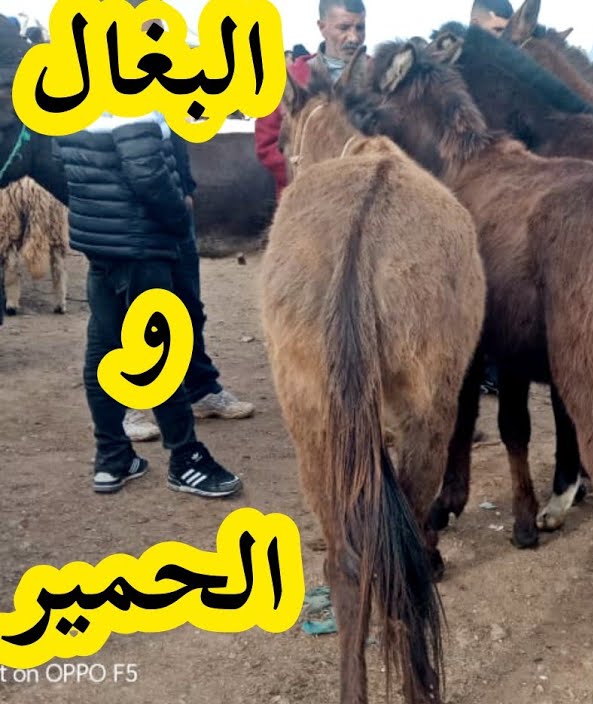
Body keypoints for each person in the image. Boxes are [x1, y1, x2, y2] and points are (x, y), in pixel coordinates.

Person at [57, 58, 242, 496]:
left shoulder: (74, 78)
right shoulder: (131, 84)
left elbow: (60, 160)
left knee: (103, 349)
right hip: (140, 242)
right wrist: (178, 216)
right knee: (161, 352)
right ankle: (186, 458)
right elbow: (144, 168)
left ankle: (112, 457)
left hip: (101, 240)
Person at [123, 130, 255, 442]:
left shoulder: (165, 100)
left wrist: (186, 189)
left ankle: (201, 389)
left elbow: (175, 145)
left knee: (188, 305)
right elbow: (135, 160)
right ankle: (125, 404)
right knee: (138, 311)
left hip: (176, 208)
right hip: (134, 213)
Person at [254, 0, 367, 200]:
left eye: (360, 27)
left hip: (366, 199)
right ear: (322, 27)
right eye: (344, 27)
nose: (354, 37)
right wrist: (309, 178)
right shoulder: (288, 79)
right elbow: (267, 143)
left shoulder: (378, 78)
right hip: (304, 200)